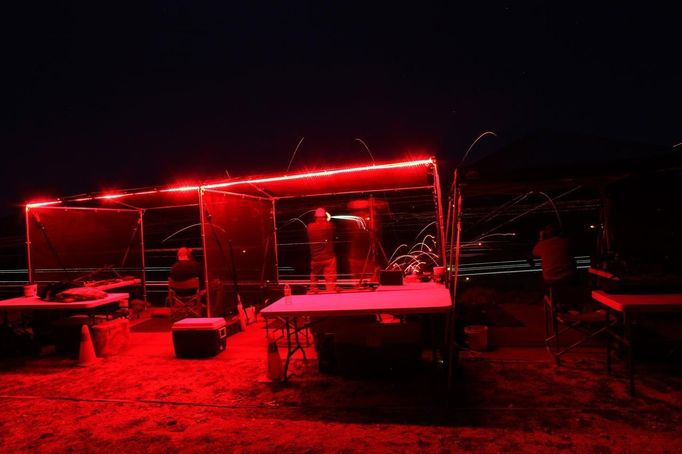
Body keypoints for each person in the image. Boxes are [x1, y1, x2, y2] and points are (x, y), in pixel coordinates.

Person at [306, 208, 337, 292]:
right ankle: (330, 291)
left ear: (315, 217)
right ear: (324, 216)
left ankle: (313, 289)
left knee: (314, 275)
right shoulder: (329, 225)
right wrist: (326, 217)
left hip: (315, 258)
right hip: (328, 257)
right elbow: (329, 219)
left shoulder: (310, 227)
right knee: (330, 278)